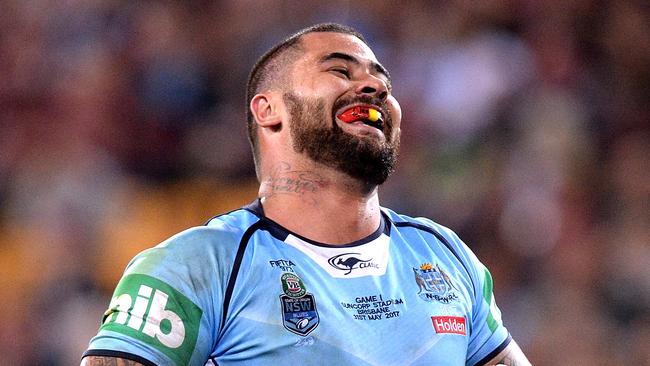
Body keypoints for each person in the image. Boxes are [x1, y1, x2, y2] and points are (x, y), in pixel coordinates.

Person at [81, 23, 531, 366]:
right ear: (269, 110)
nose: (374, 87)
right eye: (340, 69)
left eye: (383, 82)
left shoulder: (445, 256)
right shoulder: (201, 264)